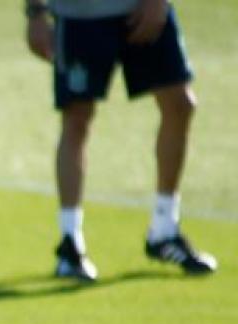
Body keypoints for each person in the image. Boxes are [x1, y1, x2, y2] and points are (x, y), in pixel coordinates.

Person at [24, 0, 217, 279]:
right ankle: (70, 243)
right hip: (80, 15)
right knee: (76, 118)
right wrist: (36, 12)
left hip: (143, 8)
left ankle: (164, 230)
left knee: (180, 104)